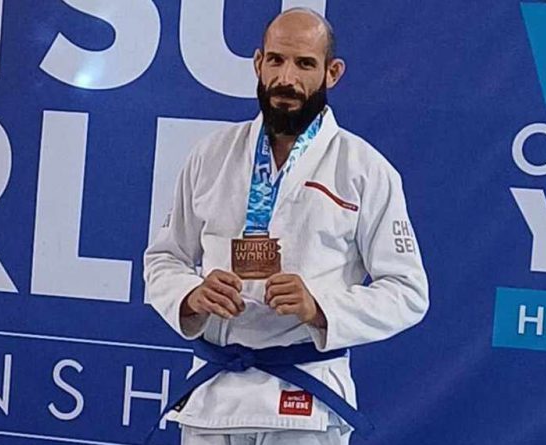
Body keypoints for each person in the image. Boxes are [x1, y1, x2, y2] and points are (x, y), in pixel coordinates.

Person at [144, 7, 429, 445]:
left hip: (305, 401)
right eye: (276, 60)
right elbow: (165, 258)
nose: (286, 78)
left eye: (305, 64)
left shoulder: (365, 169)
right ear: (258, 63)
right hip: (212, 397)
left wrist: (319, 306)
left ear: (332, 73)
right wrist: (191, 295)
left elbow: (408, 292)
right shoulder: (211, 155)